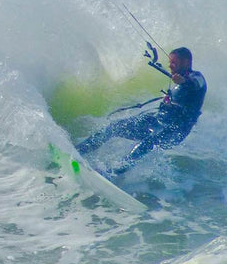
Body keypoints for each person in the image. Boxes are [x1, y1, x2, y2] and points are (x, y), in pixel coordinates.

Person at [77, 47, 206, 175]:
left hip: (175, 129)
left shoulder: (197, 78)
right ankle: (78, 151)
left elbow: (194, 84)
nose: (170, 66)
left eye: (174, 62)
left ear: (186, 62)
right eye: (169, 62)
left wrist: (183, 81)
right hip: (157, 120)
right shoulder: (176, 80)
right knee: (115, 127)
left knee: (148, 143)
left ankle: (112, 173)